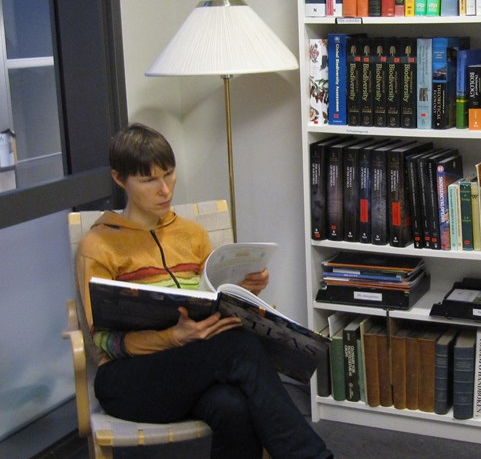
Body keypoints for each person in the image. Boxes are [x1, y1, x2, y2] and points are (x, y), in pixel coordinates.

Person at [75, 123, 332, 459]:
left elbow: (205, 298)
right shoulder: (98, 245)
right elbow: (104, 341)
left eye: (169, 174)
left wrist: (239, 290)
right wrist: (174, 338)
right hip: (128, 381)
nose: (165, 189)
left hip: (194, 368)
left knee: (232, 406)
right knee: (239, 348)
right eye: (149, 180)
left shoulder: (192, 234)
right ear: (120, 179)